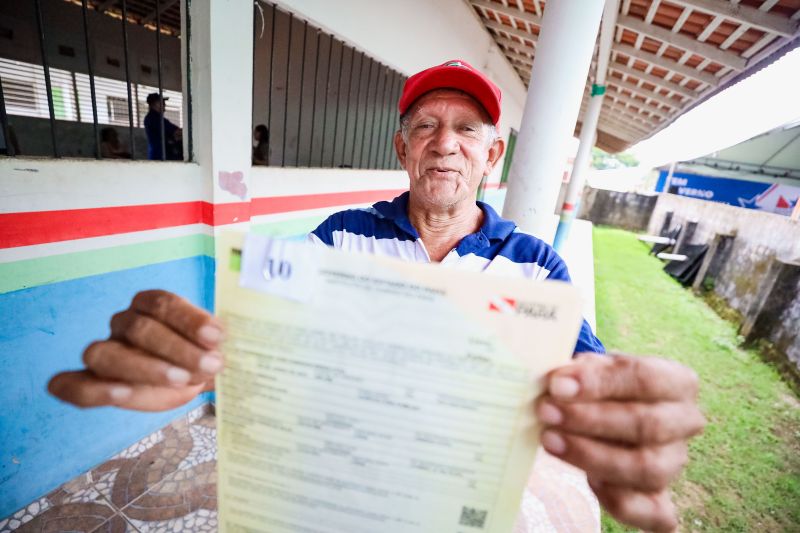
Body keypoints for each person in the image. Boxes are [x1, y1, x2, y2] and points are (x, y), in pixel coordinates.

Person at [48, 60, 705, 532]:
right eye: (426, 125)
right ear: (403, 147)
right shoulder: (340, 238)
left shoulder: (535, 266)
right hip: (336, 486)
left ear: (491, 156)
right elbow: (256, 333)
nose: (445, 141)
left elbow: (594, 378)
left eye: (467, 128)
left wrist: (624, 422)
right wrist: (193, 355)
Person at [143, 92, 182, 161]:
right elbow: (176, 131)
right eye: (162, 103)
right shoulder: (154, 118)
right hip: (161, 156)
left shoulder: (153, 118)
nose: (165, 105)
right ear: (155, 104)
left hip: (158, 155)